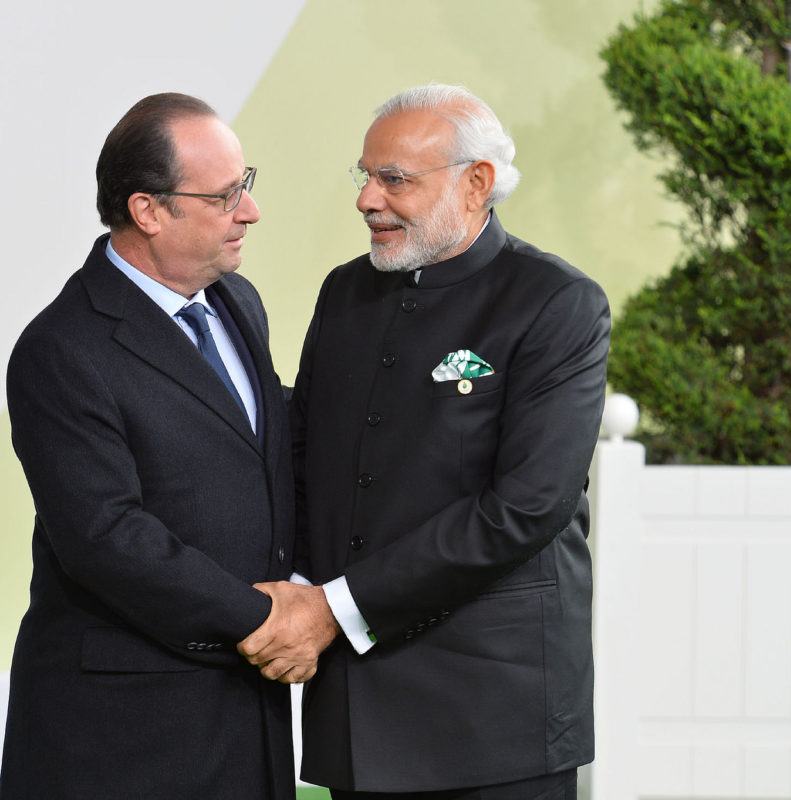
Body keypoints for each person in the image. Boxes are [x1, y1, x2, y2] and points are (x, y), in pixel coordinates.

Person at [241, 83, 610, 797]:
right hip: (358, 706)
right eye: (365, 176)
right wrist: (290, 590)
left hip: (496, 713)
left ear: (477, 184)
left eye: (395, 180)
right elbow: (305, 457)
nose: (367, 199)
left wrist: (333, 609)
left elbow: (526, 508)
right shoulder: (344, 294)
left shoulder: (557, 304)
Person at [0, 92, 296, 799]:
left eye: (244, 186)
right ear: (148, 210)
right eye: (225, 196)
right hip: (124, 733)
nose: (248, 212)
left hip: (245, 714)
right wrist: (269, 621)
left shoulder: (237, 302)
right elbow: (106, 538)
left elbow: (263, 463)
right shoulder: (62, 348)